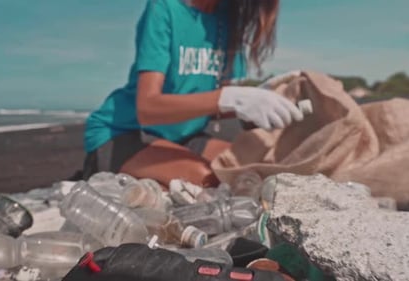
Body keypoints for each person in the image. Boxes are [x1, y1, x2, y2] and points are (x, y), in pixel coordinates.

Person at [82, 0, 303, 180]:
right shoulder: (165, 7)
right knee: (209, 178)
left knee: (254, 167)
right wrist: (233, 98)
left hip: (184, 135)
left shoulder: (226, 19)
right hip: (125, 130)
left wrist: (258, 100)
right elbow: (147, 108)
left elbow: (213, 105)